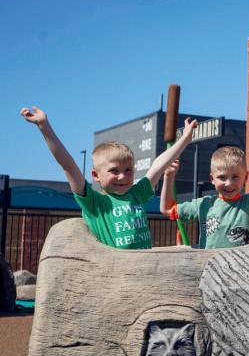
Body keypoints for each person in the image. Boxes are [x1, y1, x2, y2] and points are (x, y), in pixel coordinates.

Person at [20, 105, 198, 249]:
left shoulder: (137, 194)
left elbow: (158, 165)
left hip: (143, 271)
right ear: (96, 175)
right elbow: (68, 165)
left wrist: (185, 140)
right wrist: (44, 127)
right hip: (112, 273)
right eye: (114, 171)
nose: (122, 176)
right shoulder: (94, 203)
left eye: (128, 170)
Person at [160, 113, 249, 249]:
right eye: (222, 177)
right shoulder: (204, 205)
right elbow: (167, 209)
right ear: (212, 179)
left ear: (246, 177)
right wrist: (168, 176)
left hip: (244, 263)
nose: (229, 183)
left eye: (235, 177)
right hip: (210, 263)